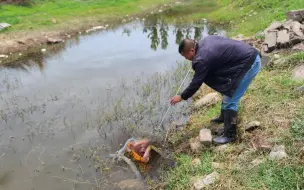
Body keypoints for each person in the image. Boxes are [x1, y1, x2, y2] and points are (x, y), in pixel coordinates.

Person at [170, 36, 261, 144]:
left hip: (249, 63)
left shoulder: (202, 59)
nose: (186, 58)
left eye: (185, 55)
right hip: (245, 57)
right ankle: (223, 118)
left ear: (192, 50)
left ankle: (230, 135)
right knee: (228, 90)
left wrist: (181, 96)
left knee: (230, 100)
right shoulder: (204, 41)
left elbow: (196, 83)